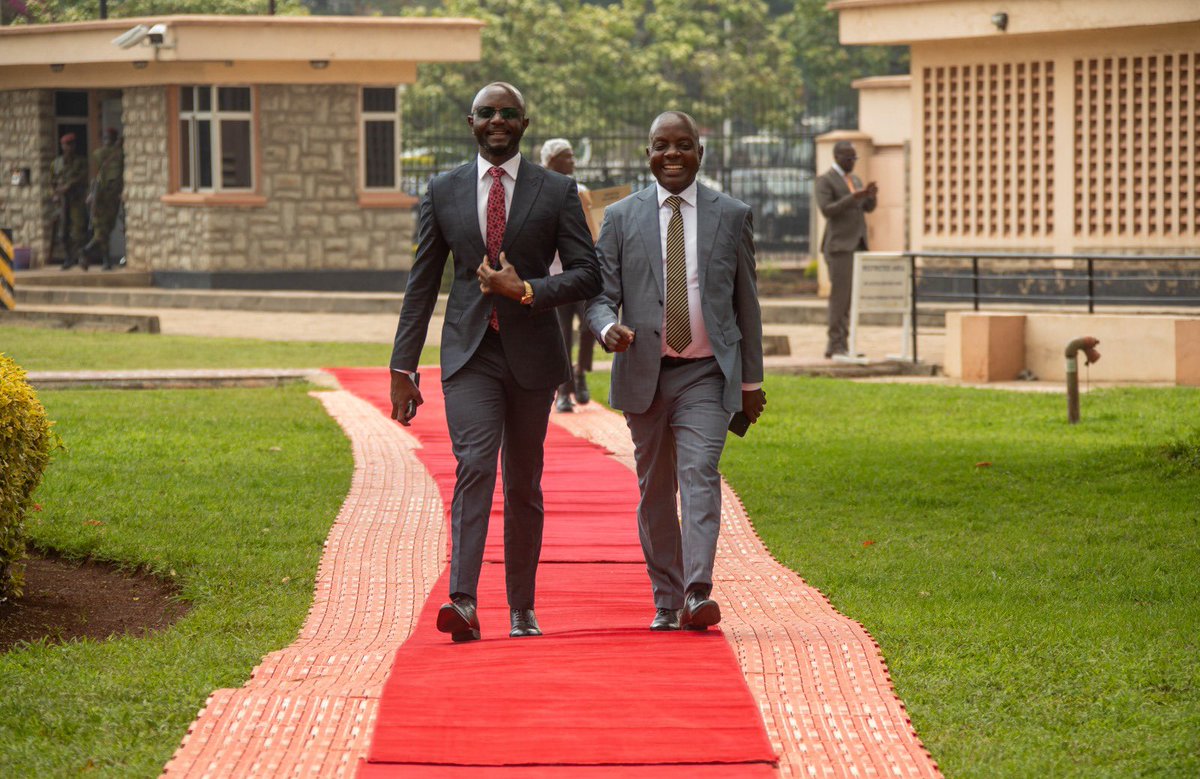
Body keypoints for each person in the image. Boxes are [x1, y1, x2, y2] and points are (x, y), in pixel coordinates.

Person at [388, 83, 600, 642]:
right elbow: (422, 284)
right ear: (471, 122)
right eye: (487, 113)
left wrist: (526, 289)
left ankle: (522, 606)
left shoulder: (556, 190)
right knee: (475, 465)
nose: (498, 121)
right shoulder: (443, 189)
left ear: (524, 124)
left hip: (532, 356)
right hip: (469, 354)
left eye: (508, 114)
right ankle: (462, 600)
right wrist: (402, 368)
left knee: (524, 482)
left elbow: (588, 273)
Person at [586, 111, 765, 632]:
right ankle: (666, 598)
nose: (672, 155)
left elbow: (746, 304)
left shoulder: (732, 215)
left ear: (699, 153)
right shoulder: (621, 217)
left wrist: (750, 382)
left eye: (683, 145)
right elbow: (601, 295)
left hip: (707, 374)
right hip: (645, 374)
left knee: (700, 472)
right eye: (661, 146)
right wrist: (606, 329)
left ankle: (697, 590)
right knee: (656, 488)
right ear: (648, 154)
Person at [540, 137, 596, 413]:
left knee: (590, 327)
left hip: (583, 274)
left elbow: (596, 229)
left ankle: (580, 372)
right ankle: (564, 389)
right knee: (562, 333)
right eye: (567, 156)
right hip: (555, 275)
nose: (573, 161)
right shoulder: (539, 191)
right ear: (551, 160)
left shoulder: (581, 191)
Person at [815, 140, 877, 359]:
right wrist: (854, 197)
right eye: (849, 158)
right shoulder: (825, 181)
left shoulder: (855, 179)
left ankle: (845, 342)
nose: (853, 162)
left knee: (851, 297)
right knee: (840, 297)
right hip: (839, 246)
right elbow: (827, 210)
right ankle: (834, 344)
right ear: (838, 157)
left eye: (854, 158)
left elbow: (866, 208)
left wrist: (870, 196)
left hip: (857, 244)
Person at [80, 128, 124, 271]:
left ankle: (106, 262)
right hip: (105, 198)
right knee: (102, 231)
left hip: (100, 197)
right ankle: (86, 250)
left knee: (105, 230)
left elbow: (93, 176)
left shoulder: (97, 154)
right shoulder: (116, 154)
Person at [50, 133, 88, 270]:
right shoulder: (56, 164)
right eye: (65, 145)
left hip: (75, 200)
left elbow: (83, 177)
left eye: (70, 145)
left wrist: (70, 185)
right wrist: (54, 194)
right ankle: (68, 258)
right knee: (62, 232)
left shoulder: (81, 162)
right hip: (62, 201)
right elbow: (51, 182)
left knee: (78, 230)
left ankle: (82, 257)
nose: (68, 148)